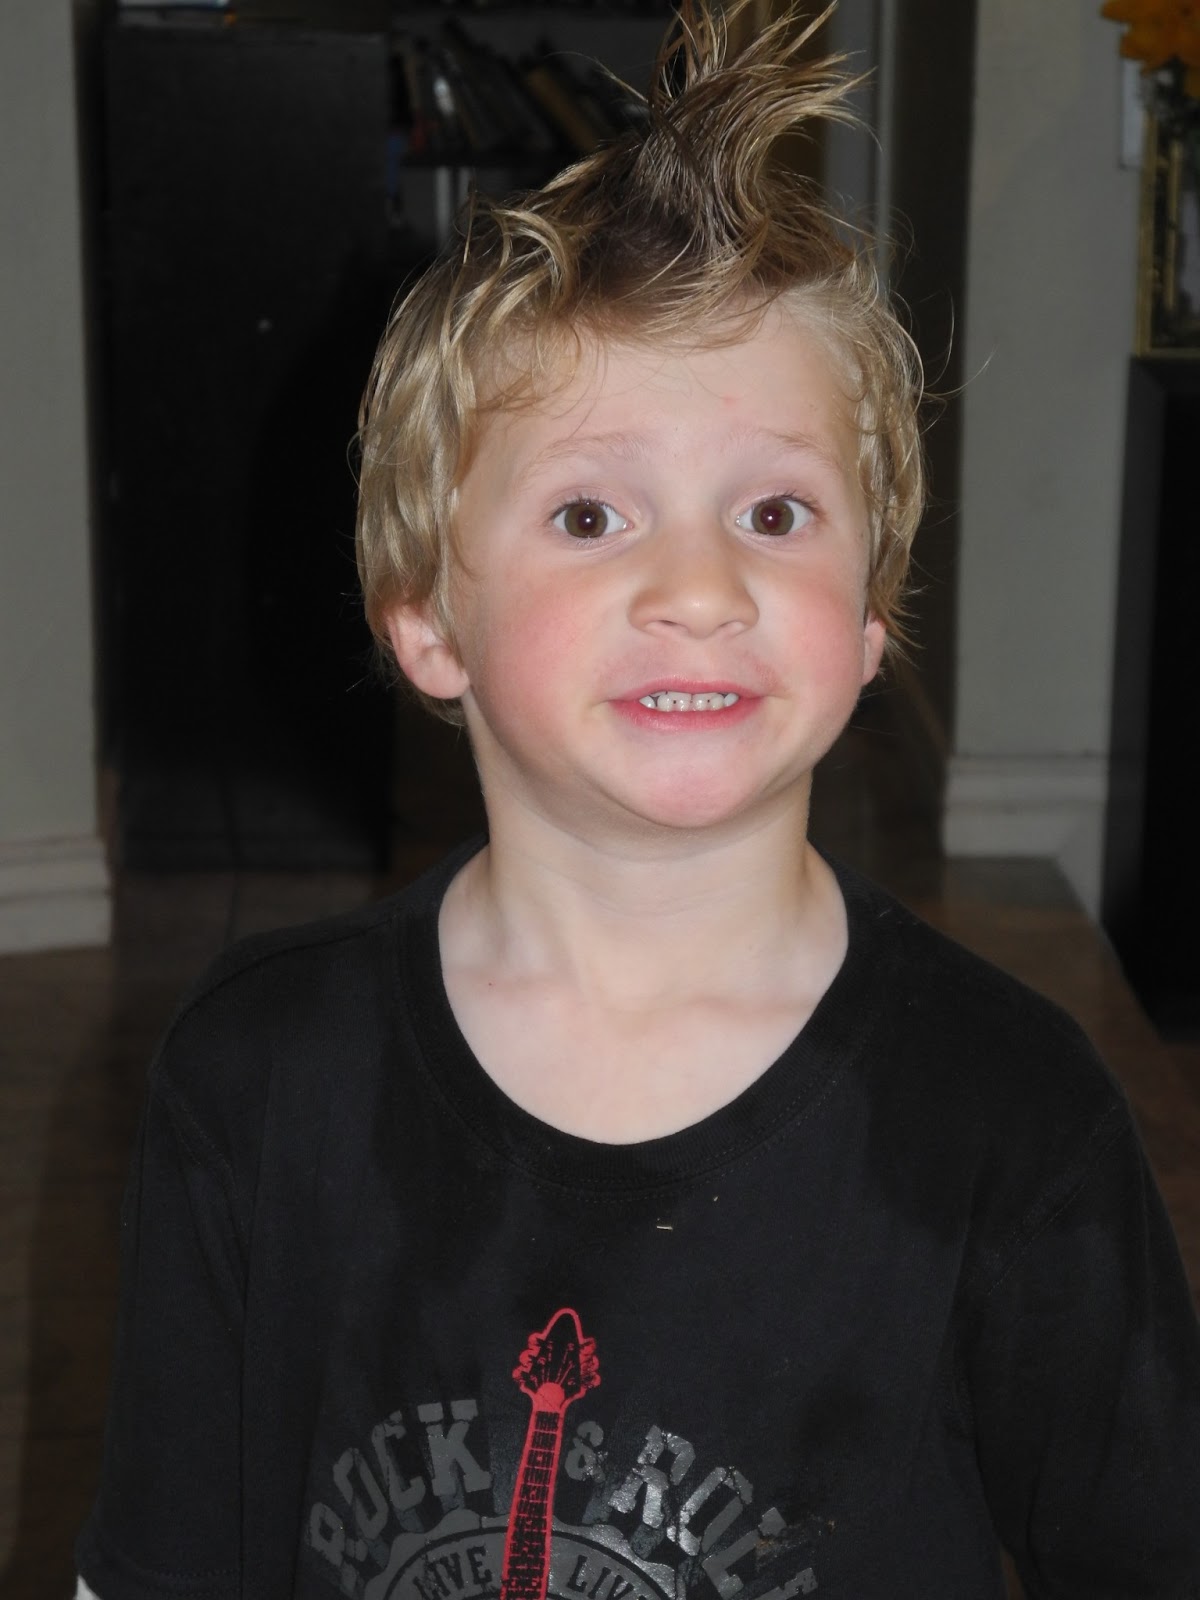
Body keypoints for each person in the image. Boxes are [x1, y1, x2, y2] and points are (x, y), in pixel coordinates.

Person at [77, 3, 1200, 1596]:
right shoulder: (259, 1082)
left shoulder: (1012, 1119)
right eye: (592, 513)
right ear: (425, 620)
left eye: (776, 512)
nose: (700, 587)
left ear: (870, 620)